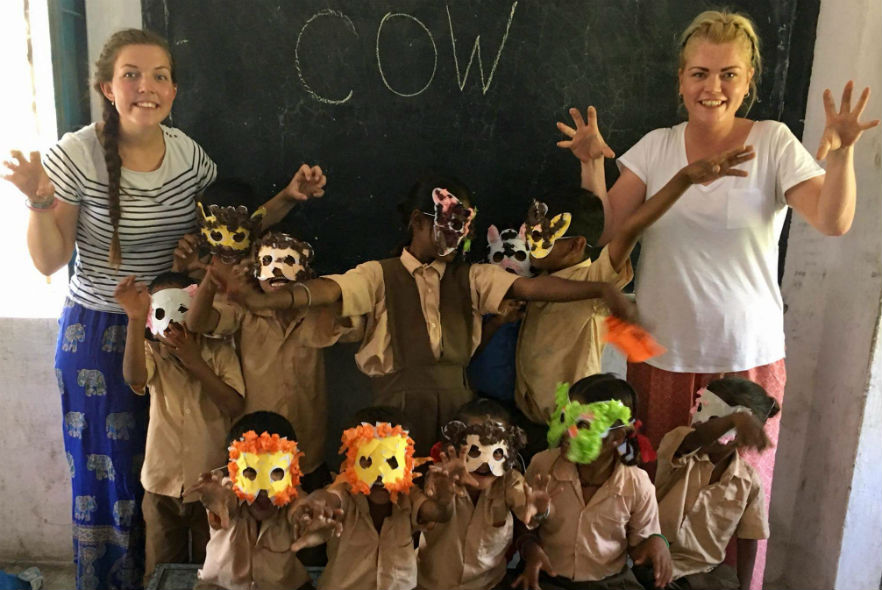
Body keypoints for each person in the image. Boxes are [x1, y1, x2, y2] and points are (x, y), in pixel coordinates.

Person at [556, 10, 878, 587]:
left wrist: (843, 151)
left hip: (746, 357)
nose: (713, 88)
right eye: (700, 73)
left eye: (729, 74)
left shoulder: (773, 142)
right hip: (656, 352)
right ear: (680, 79)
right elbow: (610, 233)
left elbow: (833, 221)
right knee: (651, 500)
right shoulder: (656, 148)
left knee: (733, 506)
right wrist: (592, 168)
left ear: (749, 78)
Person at [1, 27, 325, 588]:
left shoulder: (190, 159)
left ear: (174, 91)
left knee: (183, 480)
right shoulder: (76, 154)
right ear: (107, 86)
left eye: (159, 76)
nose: (145, 87)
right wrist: (38, 198)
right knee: (114, 479)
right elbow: (49, 263)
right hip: (104, 330)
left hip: (186, 327)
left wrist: (286, 199)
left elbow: (230, 233)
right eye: (130, 75)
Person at [216, 175, 636, 454]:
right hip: (395, 410)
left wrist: (599, 287)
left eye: (464, 227)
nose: (457, 237)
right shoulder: (378, 275)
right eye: (448, 223)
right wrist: (262, 301)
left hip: (460, 409)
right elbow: (329, 290)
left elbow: (531, 286)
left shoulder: (473, 277)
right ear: (418, 221)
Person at [515, 146, 755, 427]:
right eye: (531, 233)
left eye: (544, 237)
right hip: (525, 417)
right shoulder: (532, 280)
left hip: (570, 426)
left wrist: (684, 179)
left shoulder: (593, 280)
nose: (532, 245)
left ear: (577, 244)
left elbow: (630, 227)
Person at [187, 180, 362, 491]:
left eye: (289, 261)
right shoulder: (243, 311)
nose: (278, 271)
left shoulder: (316, 313)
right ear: (255, 264)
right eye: (268, 261)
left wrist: (311, 292)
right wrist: (212, 280)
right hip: (255, 454)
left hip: (308, 454)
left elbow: (355, 322)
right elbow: (198, 324)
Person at [115, 271, 245, 582]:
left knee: (213, 569)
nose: (172, 322)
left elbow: (234, 405)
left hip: (211, 482)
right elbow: (134, 377)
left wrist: (194, 360)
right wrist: (134, 319)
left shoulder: (219, 351)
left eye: (181, 308)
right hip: (161, 485)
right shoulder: (151, 353)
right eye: (160, 311)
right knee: (159, 569)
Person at [515, 375, 671, 590]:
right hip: (549, 579)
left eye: (582, 425)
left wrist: (656, 541)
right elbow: (523, 527)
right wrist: (531, 550)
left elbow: (638, 549)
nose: (567, 433)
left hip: (610, 583)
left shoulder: (637, 485)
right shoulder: (543, 466)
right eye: (565, 419)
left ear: (616, 439)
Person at [289, 406, 463, 590]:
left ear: (407, 463)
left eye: (391, 461)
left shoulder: (408, 497)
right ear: (351, 460)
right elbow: (328, 498)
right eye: (367, 460)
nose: (379, 474)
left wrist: (444, 498)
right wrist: (316, 505)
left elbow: (438, 513)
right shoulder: (344, 494)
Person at [645, 377, 779, 590]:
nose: (699, 423)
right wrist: (733, 419)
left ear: (741, 437)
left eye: (715, 419)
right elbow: (697, 438)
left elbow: (748, 539)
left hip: (705, 575)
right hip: (654, 562)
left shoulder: (748, 482)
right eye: (700, 412)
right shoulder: (680, 444)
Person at [418, 398, 553, 590]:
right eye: (474, 450)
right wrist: (443, 496)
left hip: (490, 584)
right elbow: (434, 509)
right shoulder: (441, 478)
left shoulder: (509, 481)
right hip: (431, 585)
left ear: (509, 452)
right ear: (454, 448)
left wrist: (538, 510)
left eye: (496, 453)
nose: (485, 463)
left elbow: (525, 506)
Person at [186, 411, 314, 590]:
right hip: (222, 587)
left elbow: (300, 504)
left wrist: (306, 513)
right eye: (251, 473)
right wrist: (218, 500)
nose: (263, 490)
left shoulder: (290, 495)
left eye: (275, 472)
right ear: (234, 471)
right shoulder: (225, 491)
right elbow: (226, 500)